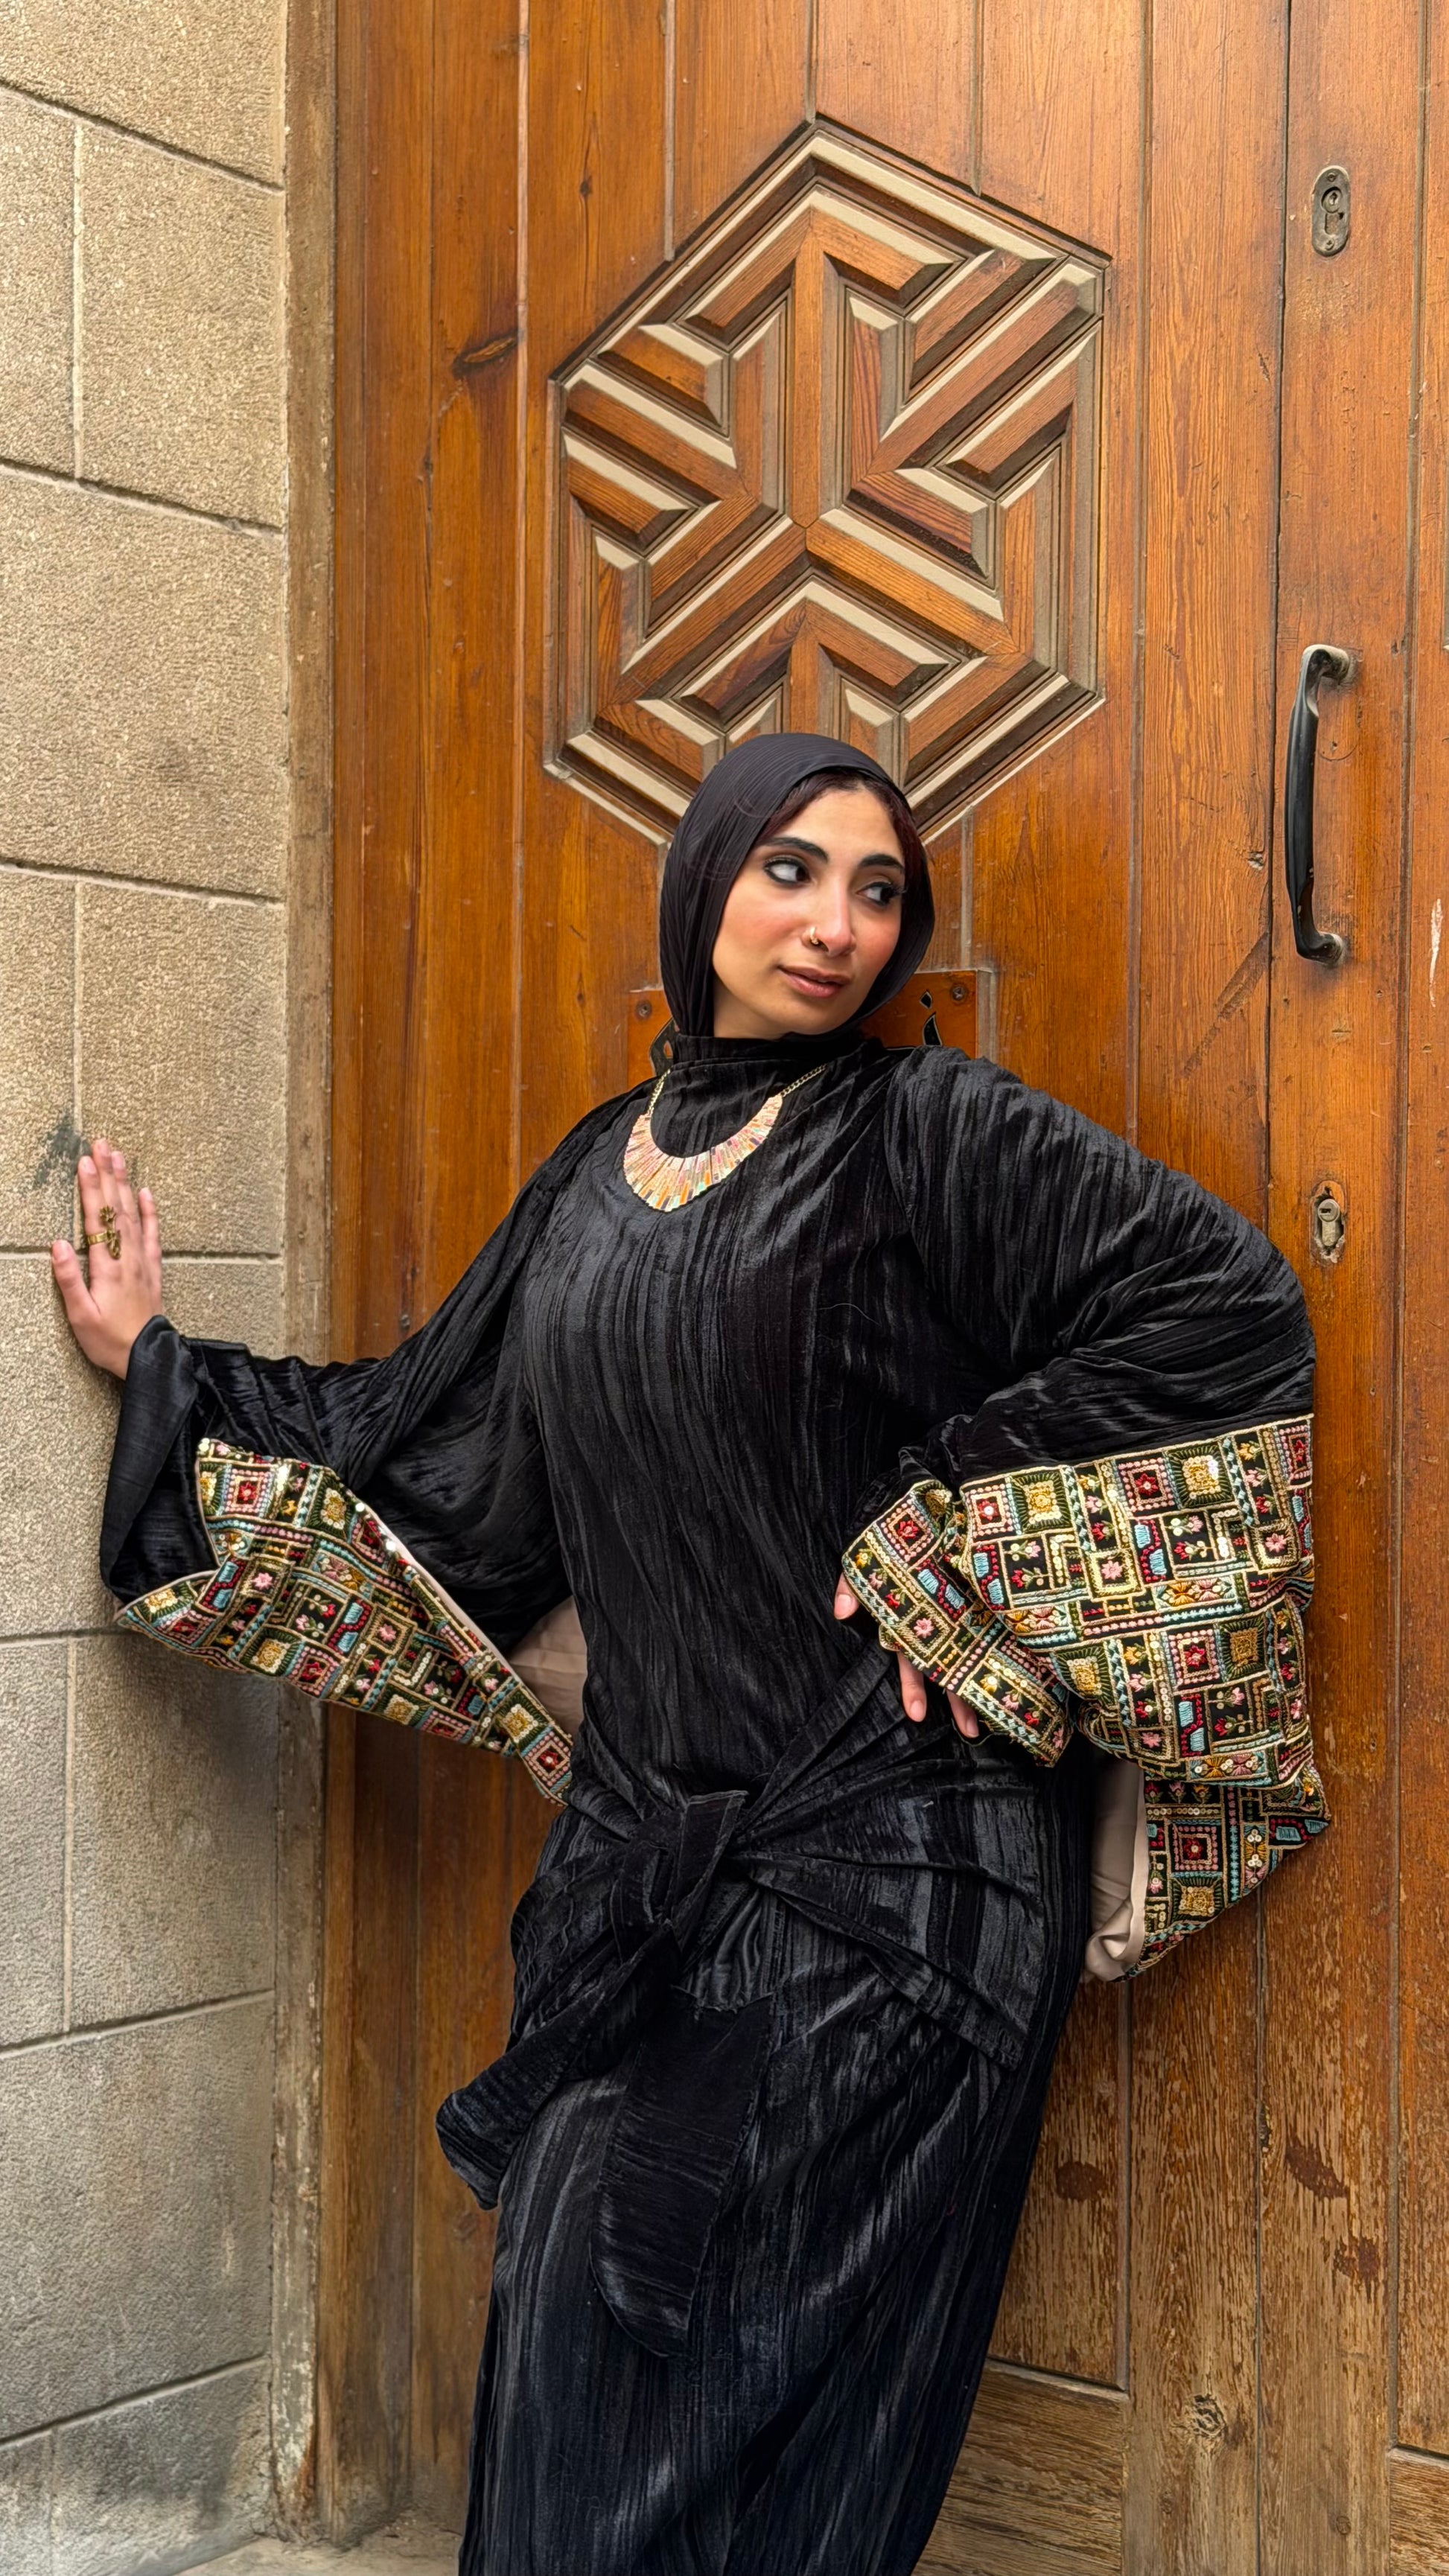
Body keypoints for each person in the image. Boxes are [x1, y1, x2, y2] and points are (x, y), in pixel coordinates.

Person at [54, 734, 1317, 2576]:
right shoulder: (597, 1170)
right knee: (597, 2336)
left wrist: (953, 1519)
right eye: (791, 869)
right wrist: (165, 1364)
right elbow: (425, 1442)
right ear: (705, 876)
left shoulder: (926, 1129)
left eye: (878, 890)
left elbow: (1224, 1305)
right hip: (655, 1878)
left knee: (625, 2294)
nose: (836, 924)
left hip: (903, 1869)